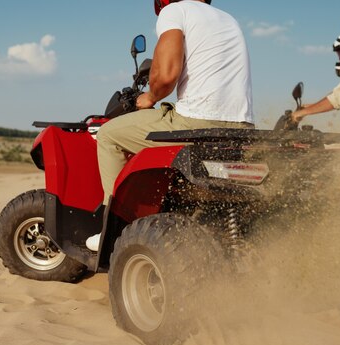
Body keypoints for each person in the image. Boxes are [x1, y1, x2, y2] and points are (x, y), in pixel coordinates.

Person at [86, 0, 254, 251]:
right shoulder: (227, 19)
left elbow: (165, 76)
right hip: (240, 127)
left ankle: (113, 231)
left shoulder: (176, 11)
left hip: (196, 123)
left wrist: (150, 98)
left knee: (109, 134)